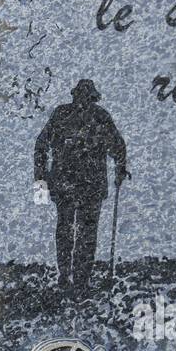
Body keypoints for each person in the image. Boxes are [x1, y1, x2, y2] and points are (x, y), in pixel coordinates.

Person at [33, 79, 129, 290]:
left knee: (74, 232)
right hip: (78, 185)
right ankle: (73, 278)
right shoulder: (93, 116)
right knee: (77, 232)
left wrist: (120, 168)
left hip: (76, 185)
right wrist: (120, 168)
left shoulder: (75, 115)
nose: (82, 101)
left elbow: (117, 147)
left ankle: (74, 279)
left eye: (85, 97)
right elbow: (118, 147)